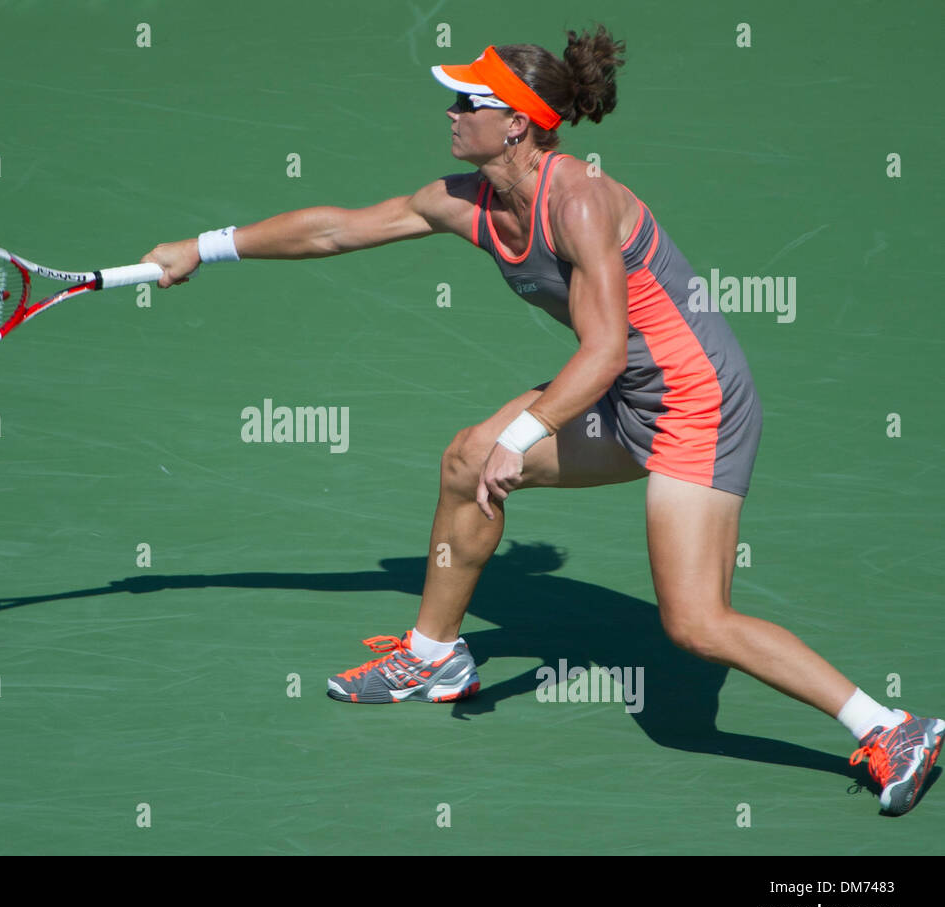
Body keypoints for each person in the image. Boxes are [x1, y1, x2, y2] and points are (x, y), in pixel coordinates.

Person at [141, 27, 942, 816]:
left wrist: (523, 438)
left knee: (695, 624)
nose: (450, 111)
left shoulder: (583, 201)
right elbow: (336, 227)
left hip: (695, 404)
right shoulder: (465, 203)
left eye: (467, 100)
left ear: (516, 122)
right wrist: (200, 247)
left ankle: (892, 726)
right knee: (467, 459)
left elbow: (602, 350)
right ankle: (433, 659)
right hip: (623, 396)